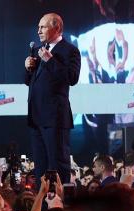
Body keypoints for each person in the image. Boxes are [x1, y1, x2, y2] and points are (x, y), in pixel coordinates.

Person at [24, 13, 81, 185]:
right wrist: (27, 68)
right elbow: (29, 82)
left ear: (56, 28)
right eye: (38, 27)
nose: (39, 30)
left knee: (57, 166)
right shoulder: (37, 49)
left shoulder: (69, 50)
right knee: (40, 168)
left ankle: (59, 206)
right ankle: (42, 208)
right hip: (36, 118)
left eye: (43, 27)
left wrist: (50, 61)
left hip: (55, 118)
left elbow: (72, 78)